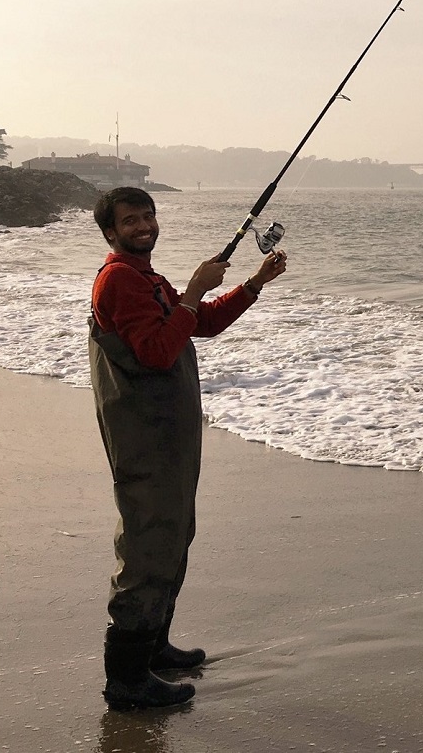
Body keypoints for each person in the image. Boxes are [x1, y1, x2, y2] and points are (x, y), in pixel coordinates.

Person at [89, 187, 287, 710]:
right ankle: (127, 680)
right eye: (130, 220)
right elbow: (155, 352)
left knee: (175, 537)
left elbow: (202, 324)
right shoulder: (117, 281)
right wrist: (195, 288)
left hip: (167, 438)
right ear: (111, 232)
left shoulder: (146, 280)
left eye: (148, 216)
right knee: (148, 546)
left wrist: (252, 284)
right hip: (144, 440)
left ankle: (153, 648)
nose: (143, 225)